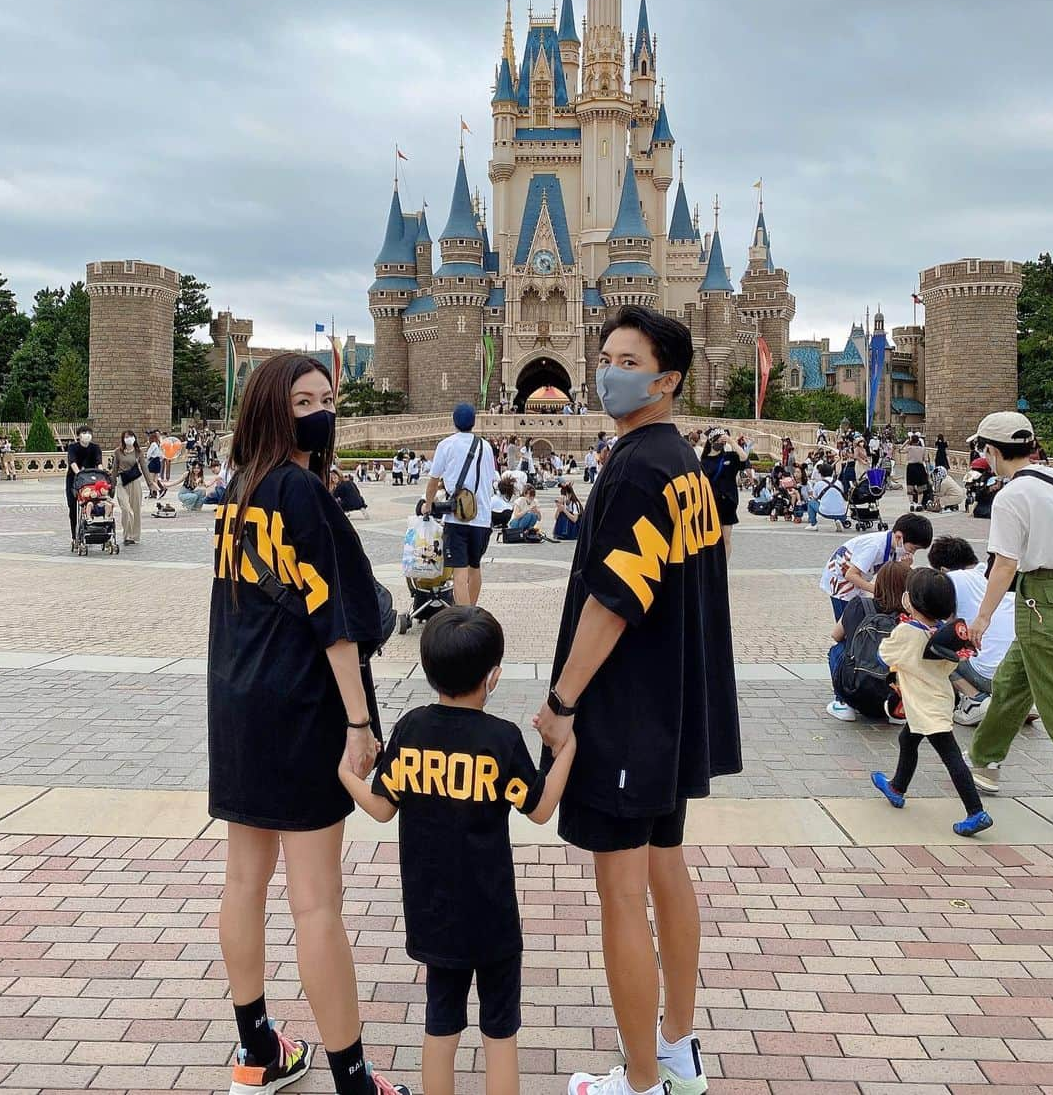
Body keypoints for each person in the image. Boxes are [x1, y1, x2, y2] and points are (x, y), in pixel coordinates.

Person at [535, 305, 740, 1095]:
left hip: (627, 716)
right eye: (607, 354)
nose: (608, 369)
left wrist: (560, 701)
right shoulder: (683, 465)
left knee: (621, 892)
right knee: (666, 870)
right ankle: (680, 1050)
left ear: (667, 379)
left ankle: (643, 1079)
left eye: (627, 359)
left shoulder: (634, 468)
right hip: (673, 709)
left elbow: (611, 601)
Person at [208, 352, 406, 1095]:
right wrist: (359, 723)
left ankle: (257, 1048)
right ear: (272, 407)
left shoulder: (239, 490)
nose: (321, 411)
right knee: (317, 899)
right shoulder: (300, 493)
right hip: (298, 708)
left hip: (235, 705)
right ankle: (353, 1078)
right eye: (303, 400)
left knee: (243, 883)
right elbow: (339, 624)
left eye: (327, 397)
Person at [339, 606, 575, 1095]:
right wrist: (566, 747)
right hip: (493, 919)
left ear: (428, 673)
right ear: (493, 677)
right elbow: (540, 809)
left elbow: (383, 809)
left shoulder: (410, 731)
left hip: (435, 916)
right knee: (500, 1033)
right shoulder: (501, 741)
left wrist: (346, 774)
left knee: (440, 1026)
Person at [961, 413, 1053, 829]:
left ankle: (984, 760)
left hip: (1042, 599)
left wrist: (982, 618)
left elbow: (1005, 564)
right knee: (1012, 683)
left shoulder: (1012, 497)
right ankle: (984, 761)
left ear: (990, 451)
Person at [870, 568, 993, 837]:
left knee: (950, 756)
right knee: (907, 740)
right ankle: (897, 787)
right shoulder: (945, 634)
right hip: (937, 699)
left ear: (911, 602)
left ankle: (976, 812)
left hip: (924, 706)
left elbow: (883, 657)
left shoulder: (907, 631)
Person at [927, 535, 1016, 727]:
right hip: (1014, 676)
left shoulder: (951, 580)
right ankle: (1015, 703)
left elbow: (935, 623)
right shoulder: (991, 578)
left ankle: (975, 699)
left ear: (942, 570)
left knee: (932, 642)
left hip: (985, 675)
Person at [424, 404, 497, 607]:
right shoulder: (486, 446)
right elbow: (490, 479)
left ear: (454, 421)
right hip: (482, 518)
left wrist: (428, 504)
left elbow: (433, 480)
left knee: (460, 574)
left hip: (457, 518)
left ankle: (464, 621)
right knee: (475, 568)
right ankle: (472, 615)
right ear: (474, 422)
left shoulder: (446, 445)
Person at [827, 561, 910, 721]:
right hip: (892, 685)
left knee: (837, 650)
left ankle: (844, 703)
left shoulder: (860, 604)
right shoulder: (908, 614)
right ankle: (897, 707)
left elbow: (836, 635)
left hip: (856, 687)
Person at [699, 428, 749, 560]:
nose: (720, 443)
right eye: (718, 440)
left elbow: (744, 457)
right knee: (710, 538)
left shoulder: (730, 457)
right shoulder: (704, 462)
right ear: (711, 441)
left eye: (722, 441)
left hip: (727, 502)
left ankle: (724, 568)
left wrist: (732, 442)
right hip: (710, 503)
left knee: (726, 538)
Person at [108, 429, 158, 545]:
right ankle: (126, 534)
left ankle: (133, 536)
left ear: (134, 438)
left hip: (135, 482)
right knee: (126, 509)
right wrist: (112, 485)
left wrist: (150, 484)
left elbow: (144, 468)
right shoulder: (118, 452)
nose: (128, 438)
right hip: (122, 482)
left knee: (135, 510)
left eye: (130, 436)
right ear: (123, 439)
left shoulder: (138, 452)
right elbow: (114, 469)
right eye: (126, 437)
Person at [66, 424, 103, 548]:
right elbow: (73, 462)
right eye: (83, 432)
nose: (86, 435)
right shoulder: (73, 447)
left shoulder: (95, 448)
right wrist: (79, 474)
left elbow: (99, 463)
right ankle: (74, 536)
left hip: (91, 479)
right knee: (72, 506)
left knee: (91, 502)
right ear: (78, 435)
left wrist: (101, 476)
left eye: (88, 432)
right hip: (75, 479)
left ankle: (89, 530)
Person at [807, 461, 848, 531]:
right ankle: (838, 521)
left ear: (820, 473)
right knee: (835, 501)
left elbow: (815, 498)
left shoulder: (819, 484)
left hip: (826, 512)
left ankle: (813, 524)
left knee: (811, 502)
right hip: (842, 513)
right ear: (832, 472)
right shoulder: (839, 483)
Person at [903, 433, 929, 509]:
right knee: (920, 487)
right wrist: (928, 472)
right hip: (920, 467)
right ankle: (919, 504)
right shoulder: (923, 449)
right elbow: (926, 461)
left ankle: (911, 504)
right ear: (918, 441)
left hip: (911, 467)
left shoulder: (909, 448)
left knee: (910, 486)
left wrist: (906, 443)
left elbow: (900, 450)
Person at [145, 431, 166, 497]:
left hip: (153, 461)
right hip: (158, 462)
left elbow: (149, 454)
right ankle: (154, 493)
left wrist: (147, 457)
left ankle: (160, 490)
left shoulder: (153, 444)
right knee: (155, 480)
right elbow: (161, 455)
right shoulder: (158, 444)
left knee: (151, 480)